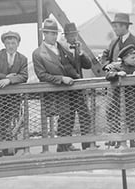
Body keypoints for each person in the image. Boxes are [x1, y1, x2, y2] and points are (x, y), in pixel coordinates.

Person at [33, 18, 97, 152]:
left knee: (76, 116)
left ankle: (74, 144)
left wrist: (79, 52)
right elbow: (42, 75)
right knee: (65, 116)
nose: (54, 36)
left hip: (73, 87)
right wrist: (61, 78)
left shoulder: (62, 47)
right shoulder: (38, 53)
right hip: (58, 89)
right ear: (44, 34)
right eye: (51, 33)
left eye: (55, 33)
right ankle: (63, 145)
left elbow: (77, 63)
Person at [0, 30, 28, 157]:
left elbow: (24, 76)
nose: (11, 45)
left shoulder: (22, 59)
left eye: (13, 43)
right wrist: (4, 76)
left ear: (18, 44)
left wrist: (9, 80)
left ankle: (7, 148)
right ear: (4, 44)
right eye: (8, 43)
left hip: (11, 98)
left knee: (7, 122)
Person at [105, 45, 135, 149]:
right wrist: (117, 74)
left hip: (133, 100)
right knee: (119, 121)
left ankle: (132, 141)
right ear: (124, 58)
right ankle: (119, 142)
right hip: (120, 100)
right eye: (132, 58)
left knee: (132, 121)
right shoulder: (116, 67)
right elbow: (108, 75)